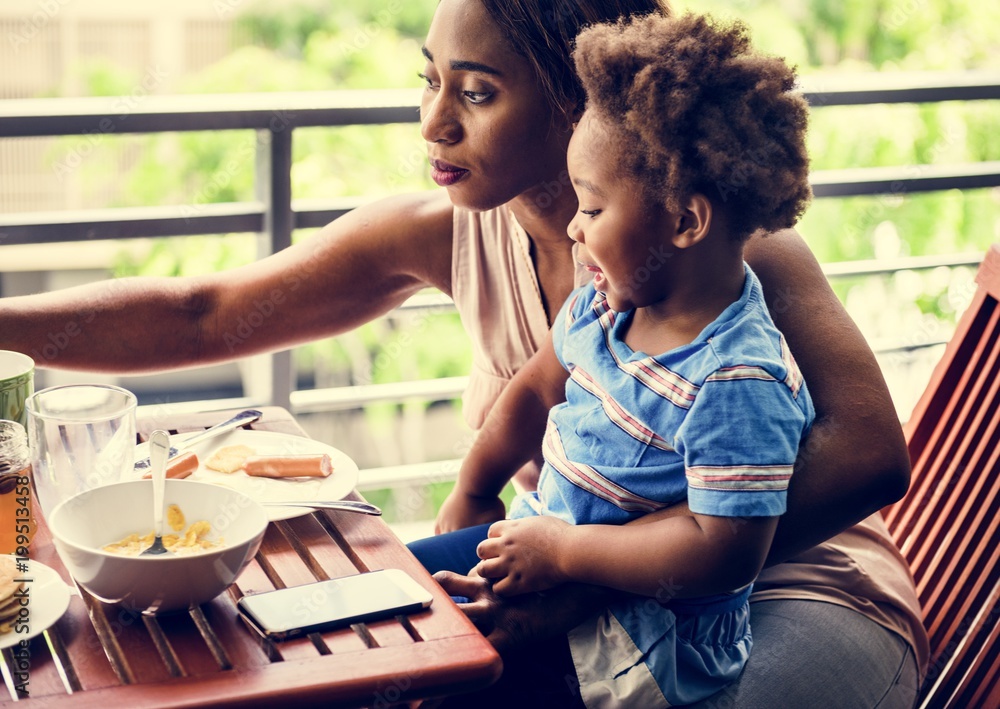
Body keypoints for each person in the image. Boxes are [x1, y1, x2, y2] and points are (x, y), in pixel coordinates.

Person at [0, 0, 926, 706]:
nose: (434, 124)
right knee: (369, 645)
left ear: (581, 96)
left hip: (792, 591)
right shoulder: (458, 229)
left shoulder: (720, 247)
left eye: (477, 92)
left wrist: (587, 578)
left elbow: (871, 453)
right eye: (429, 80)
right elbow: (204, 315)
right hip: (568, 568)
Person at [413, 12, 818, 706]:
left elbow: (720, 549)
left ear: (685, 223)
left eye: (593, 209)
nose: (573, 226)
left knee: (445, 681)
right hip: (544, 542)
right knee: (396, 589)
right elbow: (536, 389)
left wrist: (563, 555)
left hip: (639, 642)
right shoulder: (609, 303)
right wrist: (474, 489)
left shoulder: (736, 378)